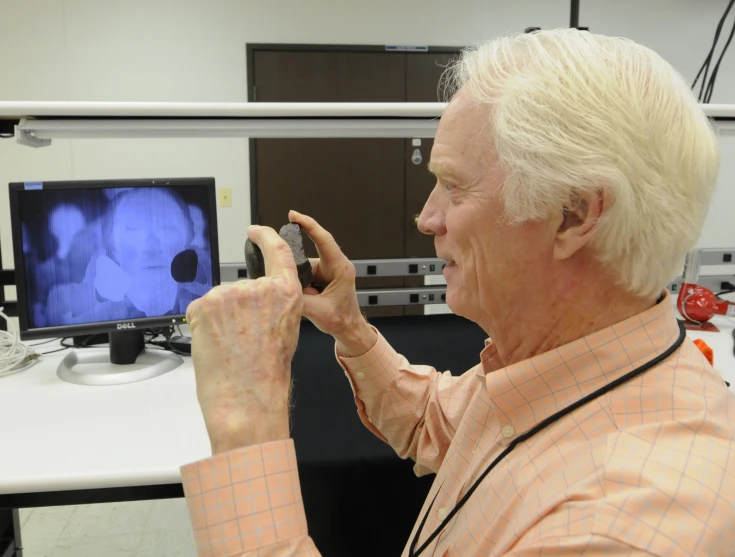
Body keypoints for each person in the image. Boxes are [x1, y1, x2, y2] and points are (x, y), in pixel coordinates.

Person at [180, 29, 734, 556]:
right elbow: (435, 423)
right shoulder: (555, 367)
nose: (426, 218)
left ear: (572, 215)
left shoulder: (626, 526)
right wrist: (348, 324)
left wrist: (246, 424)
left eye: (453, 184)